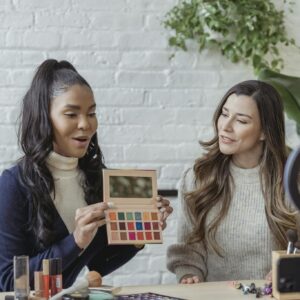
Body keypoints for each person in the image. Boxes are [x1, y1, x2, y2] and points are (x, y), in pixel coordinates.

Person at [0, 59, 173, 291]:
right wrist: (76, 240)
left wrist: (140, 234)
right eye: (71, 114)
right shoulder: (14, 185)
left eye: (91, 113)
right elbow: (10, 281)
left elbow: (97, 264)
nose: (86, 124)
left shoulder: (99, 179)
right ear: (44, 117)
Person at [167, 80, 298, 283]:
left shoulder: (291, 182)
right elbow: (189, 251)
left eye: (241, 121)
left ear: (265, 131)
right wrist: (189, 276)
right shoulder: (198, 178)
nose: (225, 127)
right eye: (225, 114)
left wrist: (289, 270)